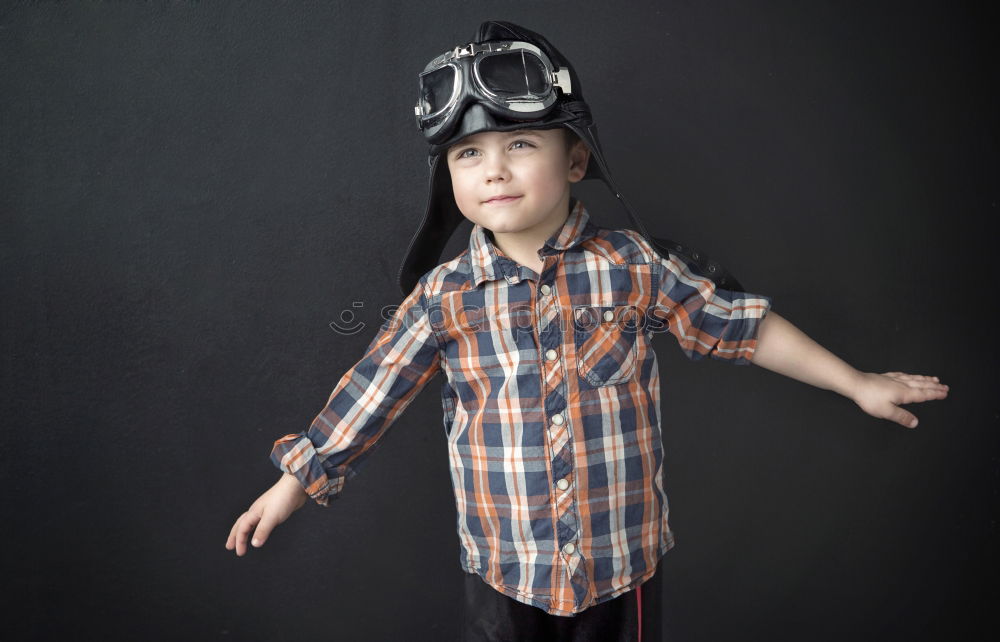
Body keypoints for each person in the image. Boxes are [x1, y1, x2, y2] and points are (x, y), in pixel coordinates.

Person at [225, 20, 949, 642]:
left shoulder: (634, 266)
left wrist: (858, 383)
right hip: (505, 570)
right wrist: (295, 483)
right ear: (447, 179)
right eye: (467, 155)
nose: (494, 170)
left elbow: (742, 330)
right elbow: (372, 392)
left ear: (575, 158)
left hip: (621, 565)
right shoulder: (443, 297)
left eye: (520, 146)